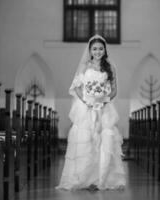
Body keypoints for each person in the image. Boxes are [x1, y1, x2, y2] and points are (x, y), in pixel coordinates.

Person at [56, 34, 126, 190]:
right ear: (90, 50)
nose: (98, 51)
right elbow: (76, 87)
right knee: (86, 140)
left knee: (104, 141)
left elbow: (114, 89)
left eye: (101, 48)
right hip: (86, 108)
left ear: (105, 50)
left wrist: (105, 100)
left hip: (104, 107)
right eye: (94, 49)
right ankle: (85, 178)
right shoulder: (84, 66)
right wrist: (87, 101)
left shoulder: (110, 67)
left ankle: (102, 179)